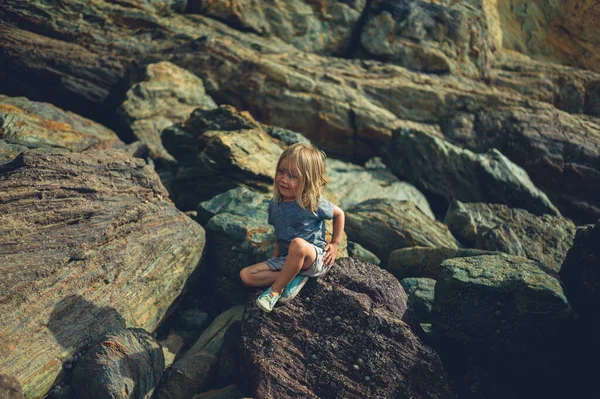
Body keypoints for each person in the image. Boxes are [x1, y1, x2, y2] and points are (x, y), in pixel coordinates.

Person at [239, 143, 345, 313]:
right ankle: (294, 277)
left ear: (308, 180)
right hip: (289, 259)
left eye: (293, 176)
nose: (283, 179)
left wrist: (334, 243)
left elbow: (339, 214)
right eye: (281, 171)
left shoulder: (312, 202)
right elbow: (279, 236)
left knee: (298, 244)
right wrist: (274, 261)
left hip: (314, 258)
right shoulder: (275, 205)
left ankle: (275, 290)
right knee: (246, 275)